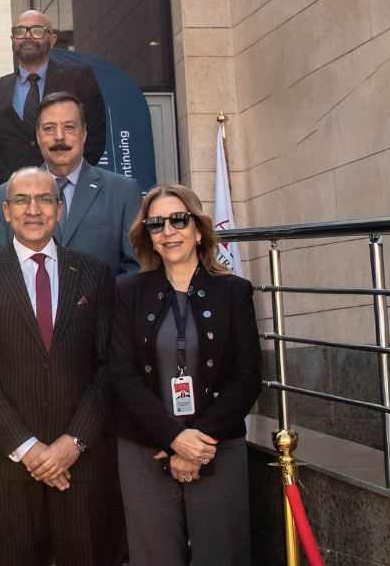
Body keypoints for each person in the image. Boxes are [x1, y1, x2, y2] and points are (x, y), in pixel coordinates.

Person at [0, 168, 118, 566]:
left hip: (80, 463)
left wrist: (73, 443)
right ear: (6, 212)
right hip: (6, 464)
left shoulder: (95, 273)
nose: (34, 209)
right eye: (21, 201)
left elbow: (108, 368)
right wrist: (27, 448)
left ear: (59, 210)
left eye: (44, 199)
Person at [110, 185, 261, 566]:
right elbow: (122, 375)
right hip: (145, 449)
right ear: (147, 236)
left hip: (217, 447)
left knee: (221, 557)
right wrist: (174, 437)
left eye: (178, 220)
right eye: (156, 223)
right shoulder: (128, 292)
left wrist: (198, 443)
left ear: (198, 229)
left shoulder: (234, 292)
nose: (168, 231)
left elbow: (247, 377)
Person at [0, 92, 140, 276]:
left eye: (69, 127)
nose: (59, 137)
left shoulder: (122, 192)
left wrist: (104, 302)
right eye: (49, 128)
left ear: (84, 133)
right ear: (38, 136)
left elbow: (135, 267)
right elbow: (0, 271)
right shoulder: (3, 195)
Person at [0, 12, 105, 190]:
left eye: (37, 30)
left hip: (68, 190)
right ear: (12, 39)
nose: (27, 35)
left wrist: (61, 181)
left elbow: (93, 139)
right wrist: (16, 188)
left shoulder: (79, 78)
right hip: (12, 195)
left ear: (52, 40)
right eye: (20, 31)